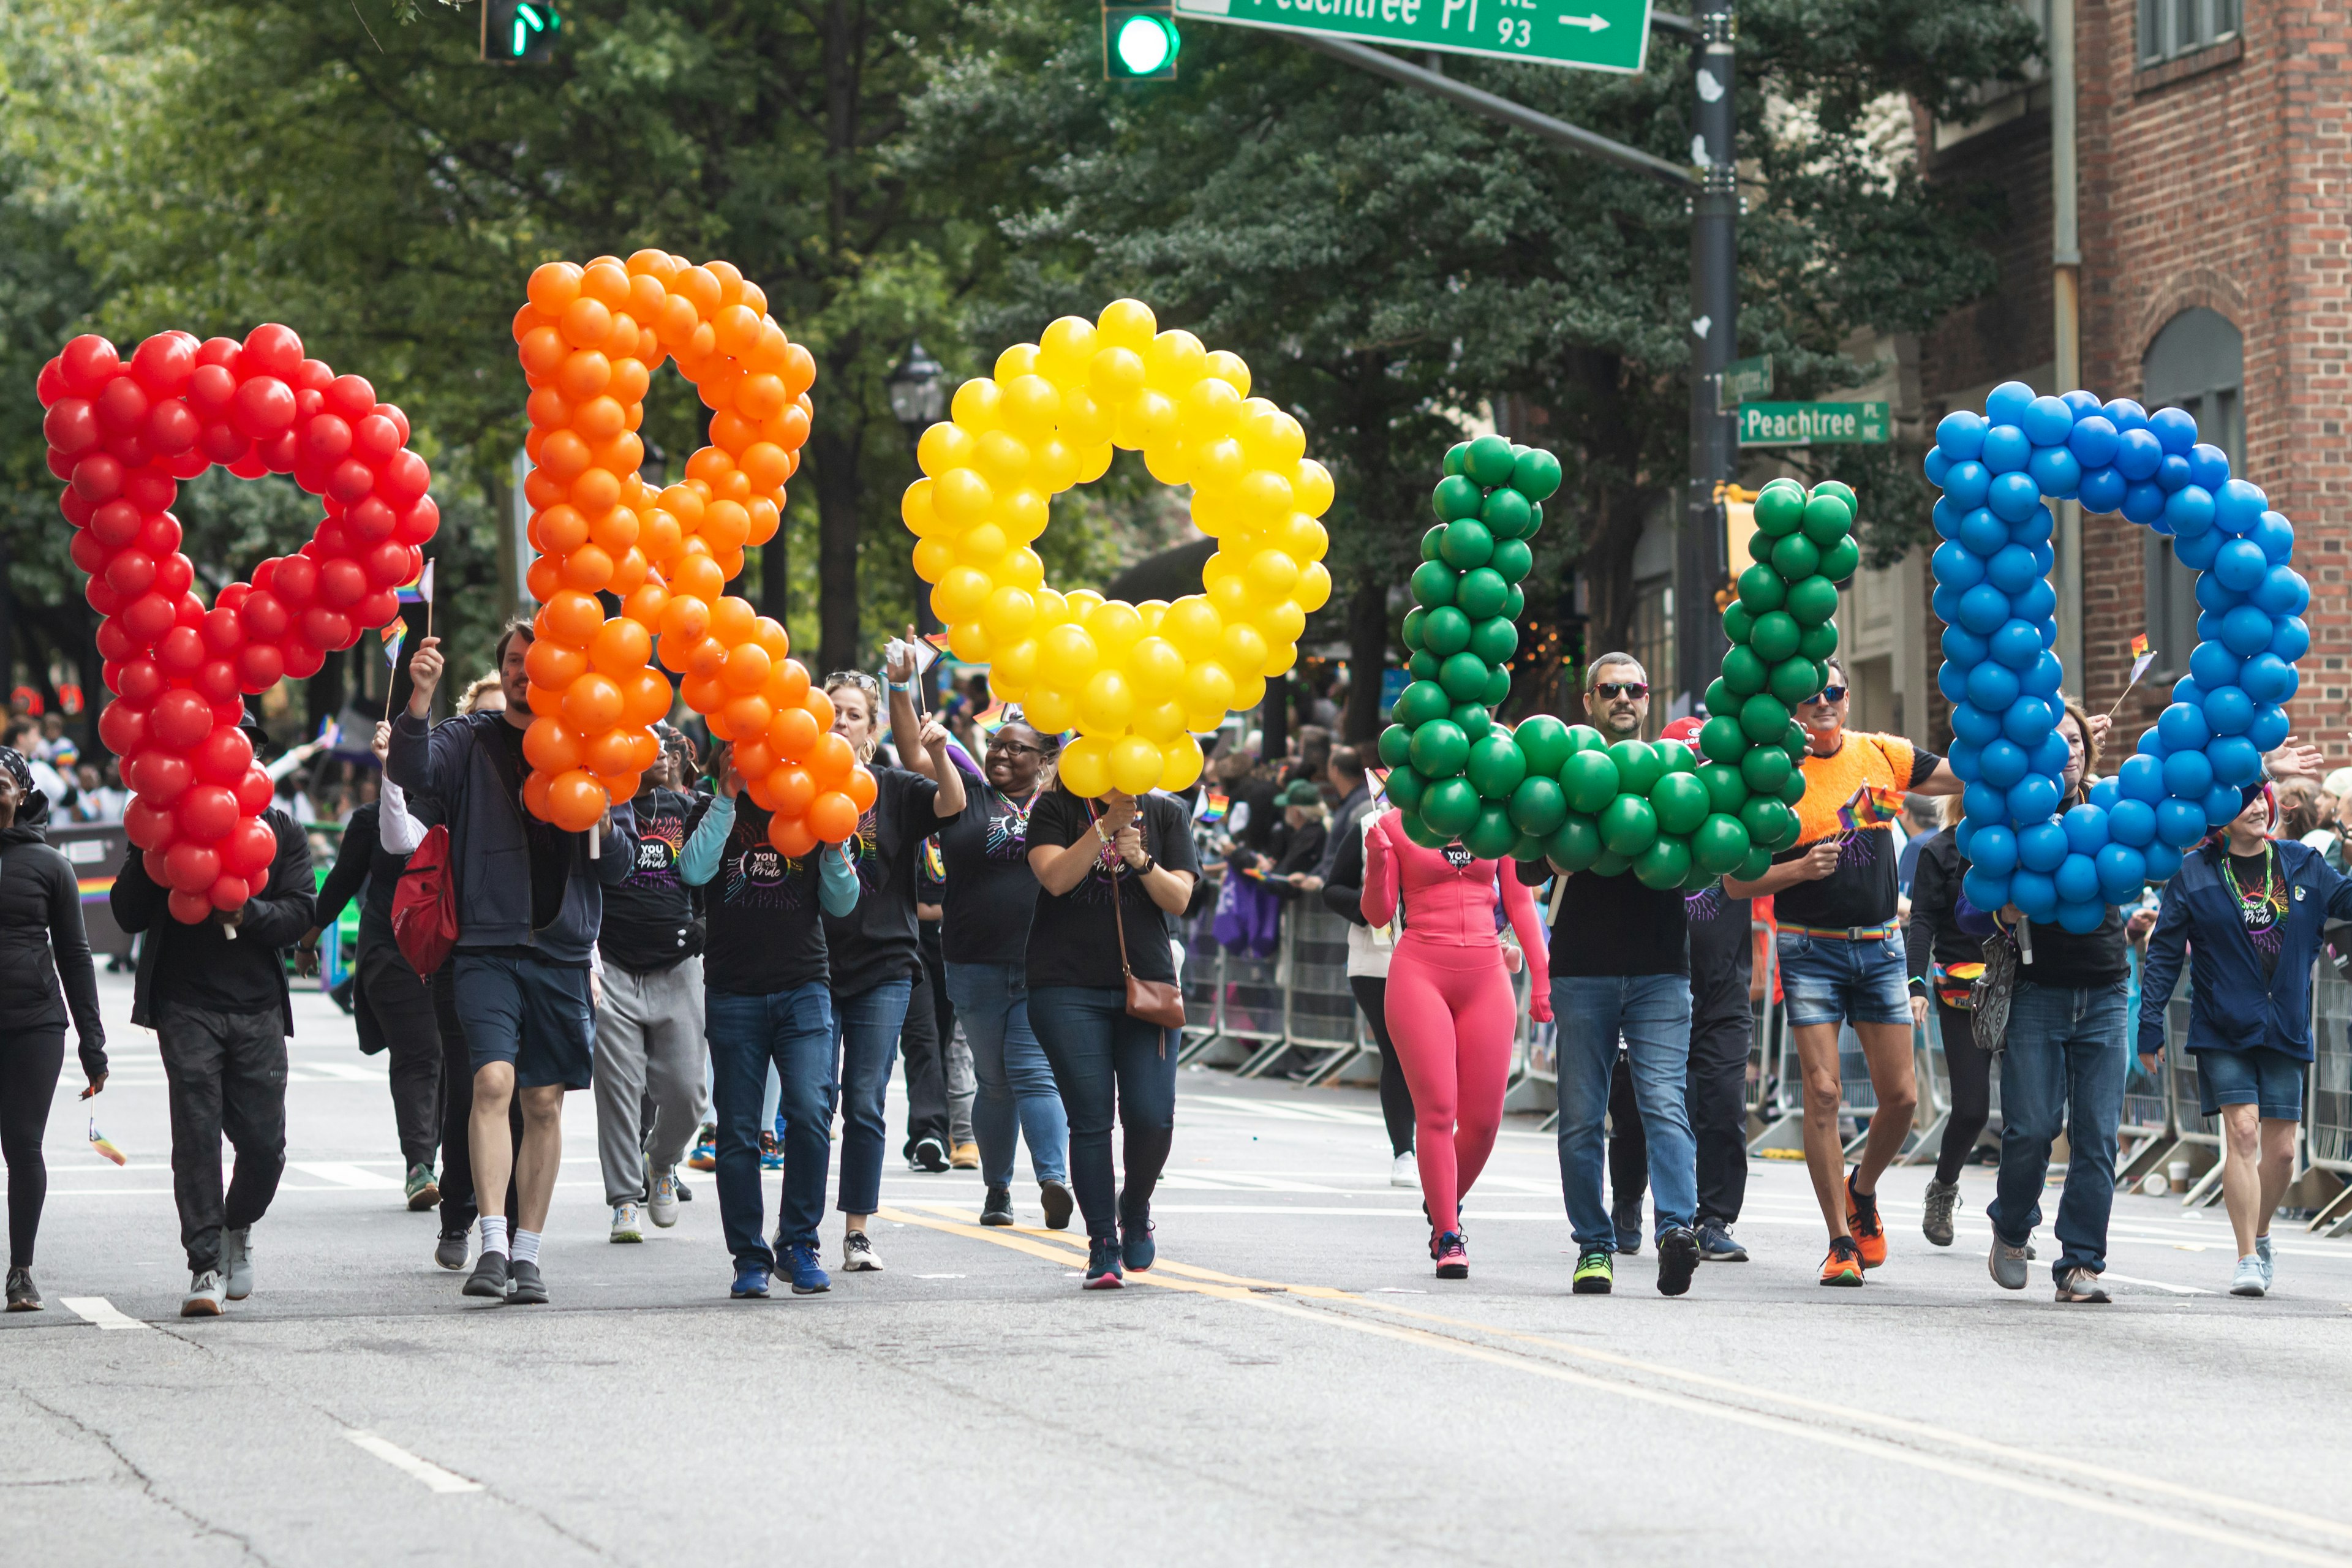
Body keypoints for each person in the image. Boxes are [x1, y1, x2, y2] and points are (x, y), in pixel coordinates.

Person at [390, 626, 639, 1308]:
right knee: (493, 1080)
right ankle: (492, 1242)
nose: (526, 674)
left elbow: (620, 868)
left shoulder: (591, 749)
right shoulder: (470, 738)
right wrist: (419, 697)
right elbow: (410, 774)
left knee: (543, 1101)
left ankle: (528, 1254)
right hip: (485, 947)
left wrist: (605, 821)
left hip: (560, 953)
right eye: (512, 662)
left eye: (538, 664)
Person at [1723, 657, 1961, 1284]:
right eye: (1808, 696)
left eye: (1833, 691)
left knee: (1903, 1098)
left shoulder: (1881, 754)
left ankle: (1864, 1188)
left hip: (1882, 947)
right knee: (1824, 1093)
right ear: (1790, 709)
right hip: (1810, 950)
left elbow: (1964, 777)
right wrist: (1799, 871)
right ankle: (1839, 1243)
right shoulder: (1773, 773)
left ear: (1848, 698)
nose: (1823, 702)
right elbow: (1736, 880)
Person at [111, 714, 314, 1317]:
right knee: (196, 1139)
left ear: (255, 757)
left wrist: (242, 908)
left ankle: (236, 1225)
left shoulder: (281, 830)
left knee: (265, 1146)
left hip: (256, 1008)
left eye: (242, 742)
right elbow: (125, 913)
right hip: (185, 1005)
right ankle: (203, 1263)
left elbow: (300, 912)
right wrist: (156, 848)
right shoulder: (163, 824)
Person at [1526, 657, 1698, 1296]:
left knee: (1663, 1103)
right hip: (1583, 967)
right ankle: (1593, 1246)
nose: (1625, 697)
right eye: (1611, 689)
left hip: (1659, 966)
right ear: (1590, 700)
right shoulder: (1562, 767)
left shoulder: (1677, 769)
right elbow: (1523, 870)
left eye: (1636, 688)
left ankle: (1678, 1231)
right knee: (1580, 1116)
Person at [2139, 782, 2352, 1297]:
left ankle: (2260, 1232)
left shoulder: (2302, 862)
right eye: (2242, 801)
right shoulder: (2195, 873)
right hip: (2223, 1025)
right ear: (2218, 816)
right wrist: (2149, 1024)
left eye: (2261, 797)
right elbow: (2166, 952)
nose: (2257, 807)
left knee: (2280, 1153)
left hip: (2284, 1025)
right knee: (2243, 1132)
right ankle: (2247, 1258)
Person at [1966, 702, 2135, 1303]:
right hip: (2038, 992)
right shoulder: (2015, 813)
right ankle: (2012, 1225)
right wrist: (2005, 911)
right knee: (2033, 1130)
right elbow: (1975, 897)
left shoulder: (2113, 808)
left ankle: (2080, 1264)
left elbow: (2171, 833)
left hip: (2107, 989)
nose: (2069, 749)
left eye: (2077, 739)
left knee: (2096, 1136)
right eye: (2056, 740)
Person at [680, 743, 859, 1299]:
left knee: (809, 1111)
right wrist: (729, 798)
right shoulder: (711, 805)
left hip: (803, 986)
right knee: (736, 1130)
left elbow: (844, 902)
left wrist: (833, 847)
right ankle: (748, 1258)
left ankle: (799, 1243)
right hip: (734, 990)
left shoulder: (811, 804)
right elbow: (692, 869)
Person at [898, 699, 1076, 1230]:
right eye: (996, 744)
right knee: (993, 1079)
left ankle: (1053, 1180)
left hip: (1043, 961)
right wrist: (903, 687)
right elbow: (914, 752)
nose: (1001, 753)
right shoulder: (965, 793)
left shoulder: (1062, 804)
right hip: (971, 961)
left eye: (1016, 748)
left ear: (1046, 758)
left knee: (1031, 1071)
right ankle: (997, 1190)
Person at [1025, 774, 1202, 1287]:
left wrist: (1141, 859)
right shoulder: (1056, 807)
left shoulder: (1166, 812)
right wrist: (1103, 828)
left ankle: (1137, 1201)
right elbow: (1055, 878)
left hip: (1146, 986)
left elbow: (1180, 899)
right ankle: (1102, 1241)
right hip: (1065, 986)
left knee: (1152, 1116)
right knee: (1091, 1119)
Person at [818, 668, 965, 1272]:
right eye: (831, 711)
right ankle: (798, 1227)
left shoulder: (893, 787)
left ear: (871, 729)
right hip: (814, 965)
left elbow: (951, 803)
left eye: (853, 713)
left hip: (885, 965)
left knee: (866, 1099)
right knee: (812, 1099)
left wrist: (940, 752)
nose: (841, 721)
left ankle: (856, 1231)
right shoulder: (794, 786)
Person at [1366, 802, 1551, 1281]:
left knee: (1485, 1122)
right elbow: (1379, 912)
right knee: (1437, 1110)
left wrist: (1543, 975)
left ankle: (1441, 1200)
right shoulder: (1393, 822)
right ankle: (1449, 1234)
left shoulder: (1497, 818)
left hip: (1486, 974)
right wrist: (1377, 862)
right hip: (1419, 970)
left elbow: (1522, 903)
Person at [304, 722, 442, 1212]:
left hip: (452, 954)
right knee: (419, 1054)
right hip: (390, 952)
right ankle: (419, 1165)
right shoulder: (370, 821)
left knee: (449, 1060)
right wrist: (310, 936)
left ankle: (439, 1154)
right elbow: (342, 880)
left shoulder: (457, 813)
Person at [593, 726, 713, 1244]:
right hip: (616, 967)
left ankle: (661, 1161)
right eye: (652, 746)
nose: (665, 754)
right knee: (618, 1090)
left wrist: (707, 925)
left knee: (689, 1093)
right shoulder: (600, 807)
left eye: (668, 747)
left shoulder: (688, 808)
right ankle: (623, 1200)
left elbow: (710, 871)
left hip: (676, 965)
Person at [0, 749, 106, 1312]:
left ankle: (21, 1271)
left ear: (22, 794)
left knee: (23, 1145)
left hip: (34, 1024)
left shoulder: (50, 866)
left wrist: (94, 1044)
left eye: (1, 781)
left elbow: (75, 955)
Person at [1904, 794, 1994, 1246]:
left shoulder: (2023, 841)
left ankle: (2014, 1217)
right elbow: (1921, 920)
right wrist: (1916, 985)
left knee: (2030, 1116)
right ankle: (1943, 1190)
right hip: (1962, 993)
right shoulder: (1937, 851)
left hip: (2026, 985)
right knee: (1973, 1106)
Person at [1322, 808, 1417, 1186]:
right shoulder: (1369, 823)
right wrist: (1374, 904)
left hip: (1442, 956)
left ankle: (1439, 1147)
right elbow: (1332, 889)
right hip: (1378, 962)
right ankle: (1404, 1153)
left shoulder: (1462, 818)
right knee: (1398, 1053)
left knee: (1437, 1055)